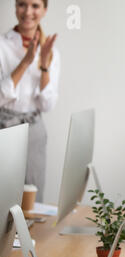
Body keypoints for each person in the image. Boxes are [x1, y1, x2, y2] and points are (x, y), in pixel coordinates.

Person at [0, 0, 59, 202]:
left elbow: (47, 105)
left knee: (32, 197)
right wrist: (26, 62)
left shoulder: (51, 52)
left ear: (44, 10)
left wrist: (43, 65)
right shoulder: (1, 45)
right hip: (4, 126)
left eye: (35, 6)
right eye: (22, 4)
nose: (28, 12)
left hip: (34, 129)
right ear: (15, 7)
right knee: (4, 197)